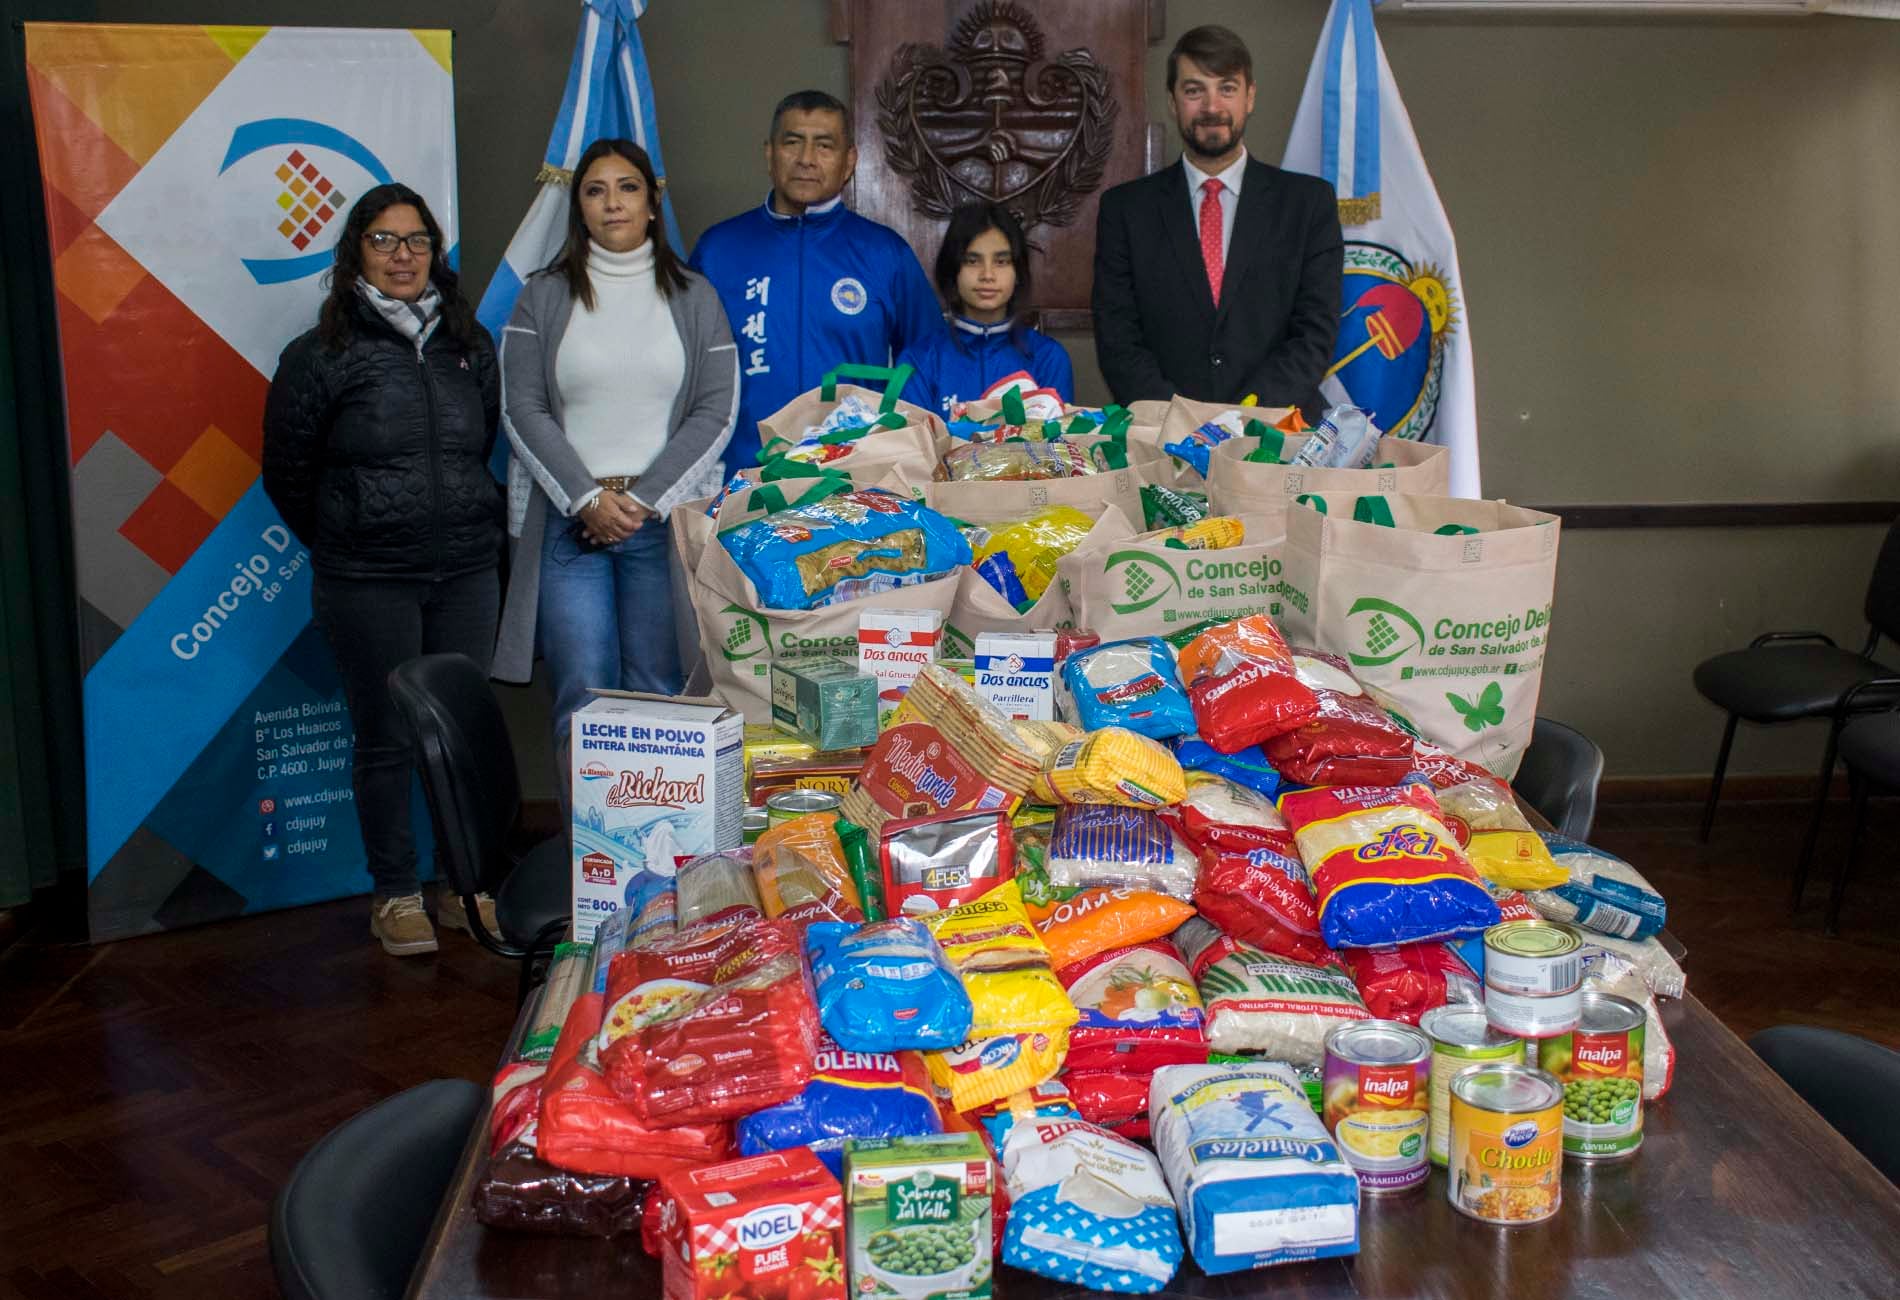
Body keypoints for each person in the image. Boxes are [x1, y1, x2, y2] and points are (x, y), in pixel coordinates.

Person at [263, 183, 504, 958]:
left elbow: (484, 440)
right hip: (368, 579)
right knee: (388, 740)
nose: (403, 256)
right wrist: (352, 533)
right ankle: (396, 894)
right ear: (355, 253)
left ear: (436, 253)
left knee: (461, 736)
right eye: (384, 240)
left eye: (418, 241)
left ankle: (465, 890)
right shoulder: (319, 356)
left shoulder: (470, 345)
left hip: (466, 569)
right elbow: (287, 474)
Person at [493, 138, 738, 792]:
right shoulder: (542, 297)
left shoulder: (694, 296)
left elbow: (716, 410)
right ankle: (591, 871)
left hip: (656, 526)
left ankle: (652, 869)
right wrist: (586, 500)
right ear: (579, 207)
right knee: (583, 695)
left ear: (652, 202)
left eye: (627, 187)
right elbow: (520, 408)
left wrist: (642, 502)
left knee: (658, 690)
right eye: (595, 190)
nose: (612, 202)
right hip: (570, 527)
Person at [1092, 25, 1342, 421]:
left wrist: (1242, 420)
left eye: (1227, 88)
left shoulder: (1308, 204)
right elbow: (1117, 336)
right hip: (1162, 440)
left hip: (1276, 437)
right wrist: (1180, 422)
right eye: (1194, 90)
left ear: (1250, 97)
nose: (1212, 106)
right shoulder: (1125, 210)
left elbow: (1315, 333)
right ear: (1173, 101)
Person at [689, 89, 941, 469]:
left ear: (849, 161)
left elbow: (928, 362)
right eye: (793, 143)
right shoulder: (718, 250)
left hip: (854, 477)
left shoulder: (885, 253)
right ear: (769, 154)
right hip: (744, 475)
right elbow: (685, 370)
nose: (806, 159)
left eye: (824, 146)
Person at [897, 203, 1075, 421]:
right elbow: (914, 450)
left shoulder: (1048, 358)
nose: (987, 275)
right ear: (953, 271)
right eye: (972, 261)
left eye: (1001, 261)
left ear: (1018, 272)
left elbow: (1057, 448)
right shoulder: (919, 359)